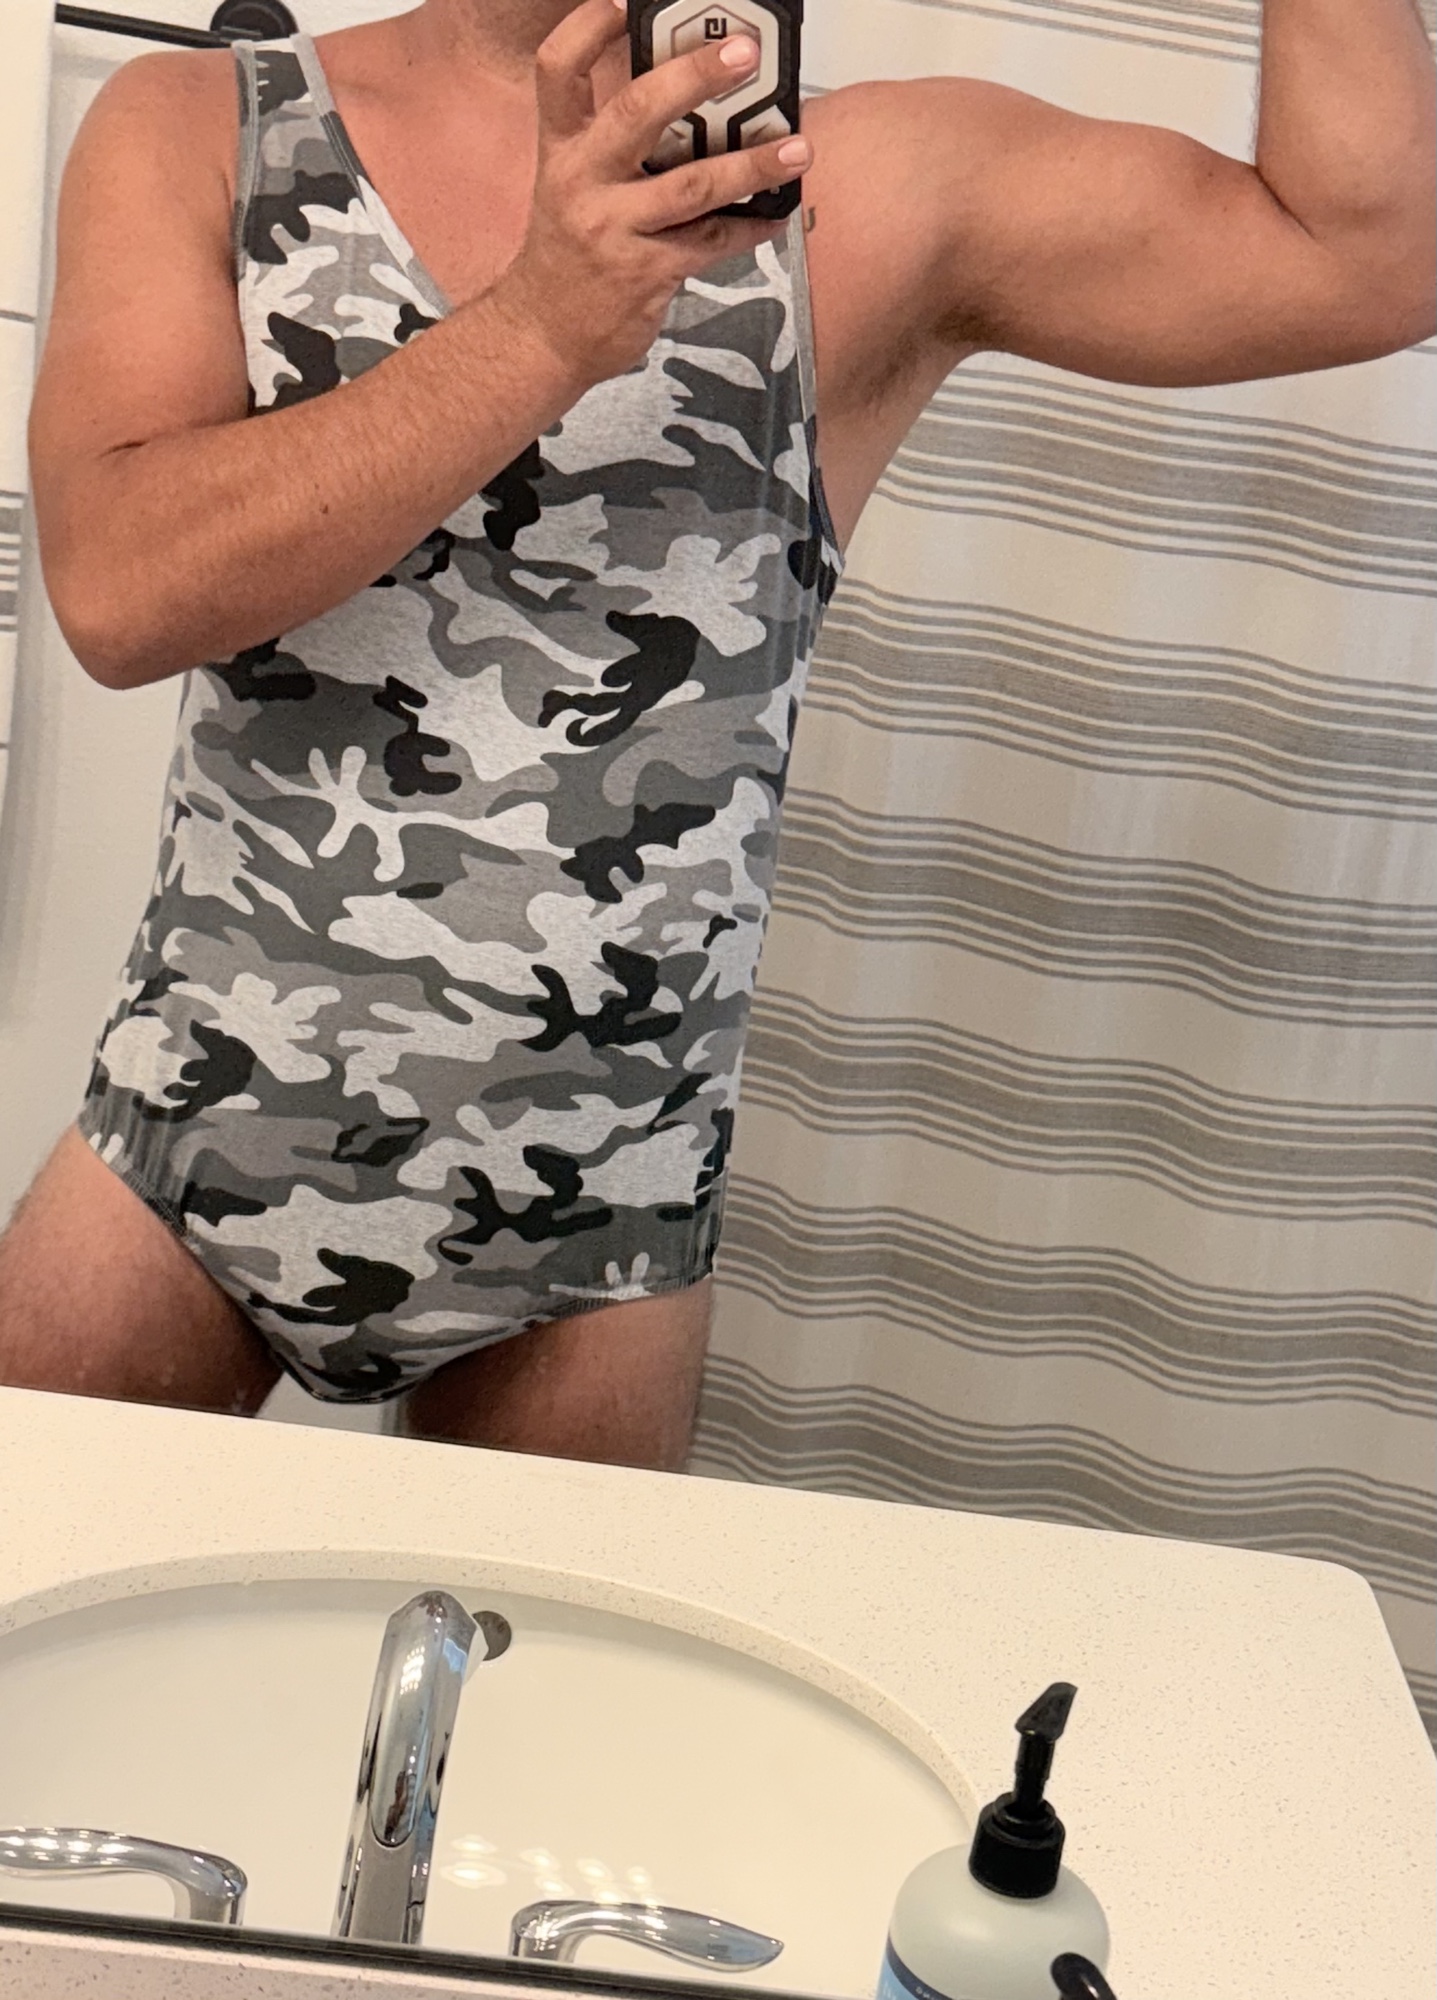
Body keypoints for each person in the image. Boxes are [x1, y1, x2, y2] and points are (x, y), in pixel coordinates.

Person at [0, 0, 1430, 1467]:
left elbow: (1370, 259)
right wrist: (541, 326)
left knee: (546, 1639)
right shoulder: (206, 125)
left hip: (599, 1225)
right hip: (200, 1129)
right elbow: (117, 594)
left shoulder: (870, 189)